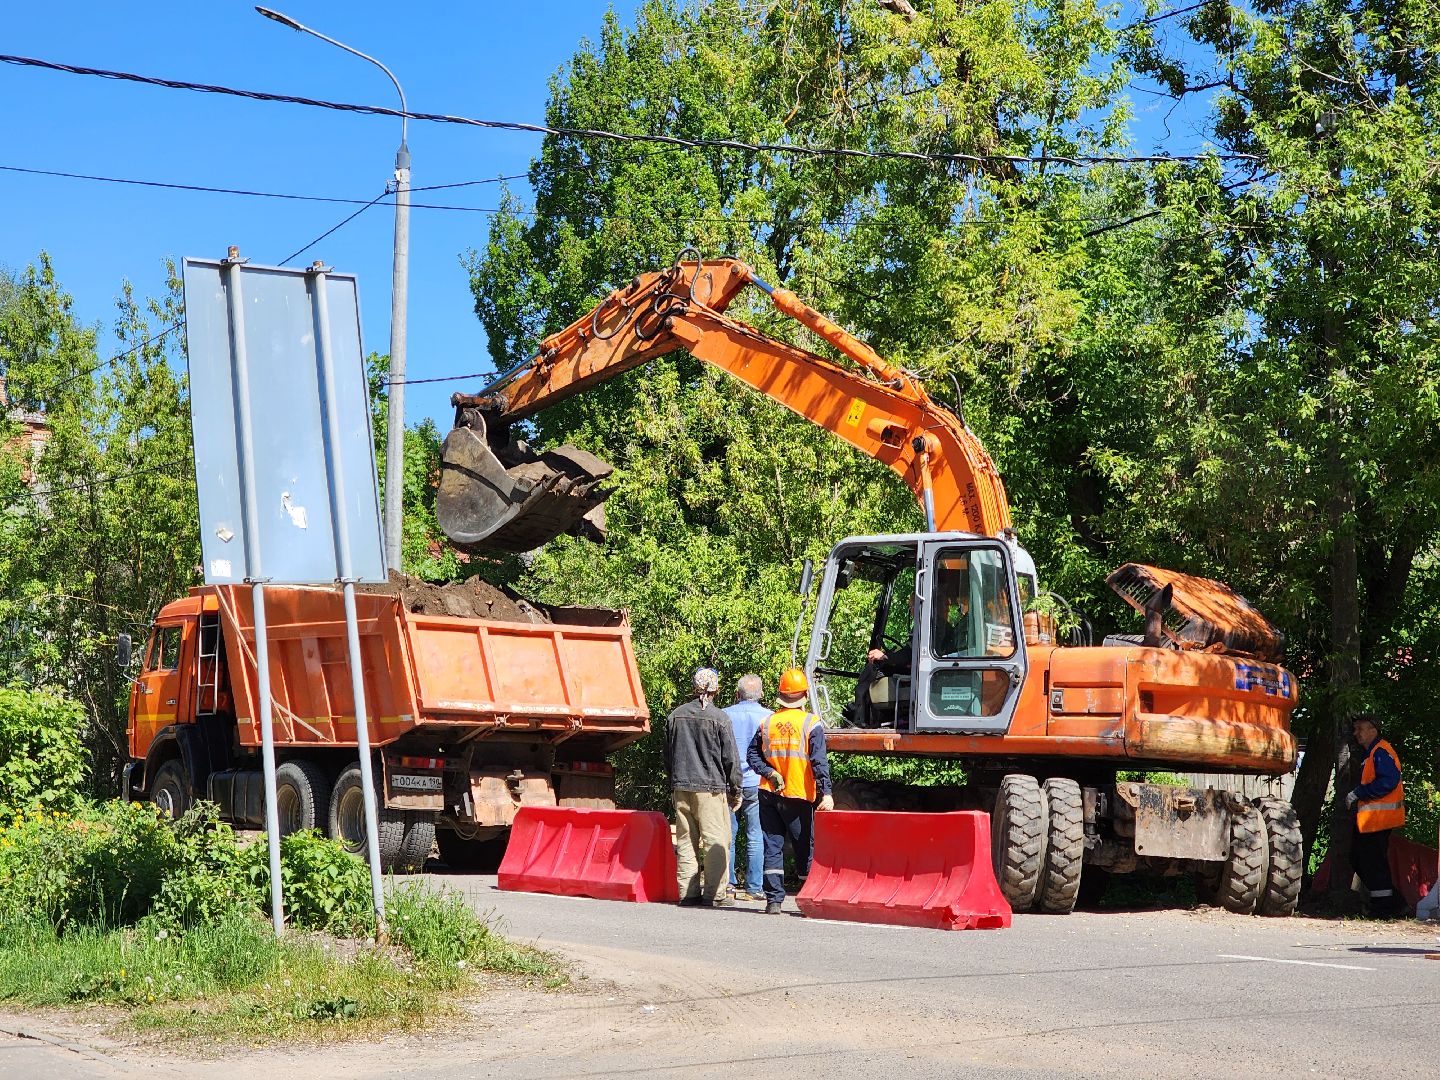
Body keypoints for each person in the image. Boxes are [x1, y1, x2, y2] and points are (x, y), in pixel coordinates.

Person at [748, 667, 833, 914]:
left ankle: (774, 901)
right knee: (804, 847)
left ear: (781, 695)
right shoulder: (811, 723)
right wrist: (826, 792)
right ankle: (806, 901)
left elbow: (752, 754)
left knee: (772, 845)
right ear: (805, 694)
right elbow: (819, 761)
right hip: (797, 794)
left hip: (768, 793)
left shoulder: (768, 722)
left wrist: (769, 772)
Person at [664, 666, 743, 907]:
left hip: (681, 786)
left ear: (694, 688)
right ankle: (715, 894)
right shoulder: (720, 718)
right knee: (715, 839)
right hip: (710, 788)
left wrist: (673, 781)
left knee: (687, 840)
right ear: (716, 689)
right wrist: (736, 789)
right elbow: (731, 757)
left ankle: (688, 893)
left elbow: (667, 756)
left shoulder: (675, 716)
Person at [1345, 714, 1407, 918]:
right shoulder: (1374, 753)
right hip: (1372, 820)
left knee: (1372, 862)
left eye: (1360, 728)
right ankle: (1392, 903)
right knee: (1361, 859)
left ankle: (1384, 909)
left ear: (1373, 730)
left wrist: (1358, 793)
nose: (1356, 734)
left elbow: (1388, 781)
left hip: (1379, 820)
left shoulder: (1380, 751)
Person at [723, 674, 769, 902]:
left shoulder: (724, 715)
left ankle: (728, 885)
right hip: (757, 783)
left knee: (728, 835)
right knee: (755, 835)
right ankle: (754, 887)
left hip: (729, 784)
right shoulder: (769, 718)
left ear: (737, 694)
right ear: (760, 694)